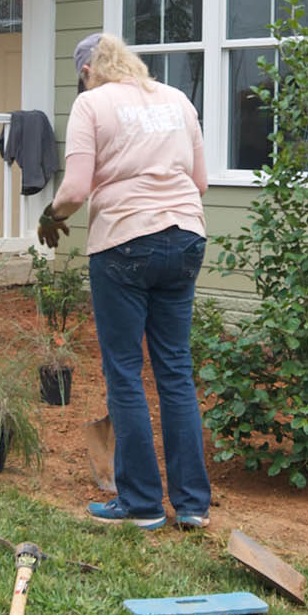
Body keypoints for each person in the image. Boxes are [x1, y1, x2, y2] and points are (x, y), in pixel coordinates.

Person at [40, 33, 211, 530]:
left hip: (125, 243)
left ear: (88, 70)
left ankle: (140, 505)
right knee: (175, 370)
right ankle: (193, 505)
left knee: (124, 372)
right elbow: (199, 183)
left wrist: (50, 216)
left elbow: (74, 189)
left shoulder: (92, 104)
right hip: (185, 237)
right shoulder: (178, 100)